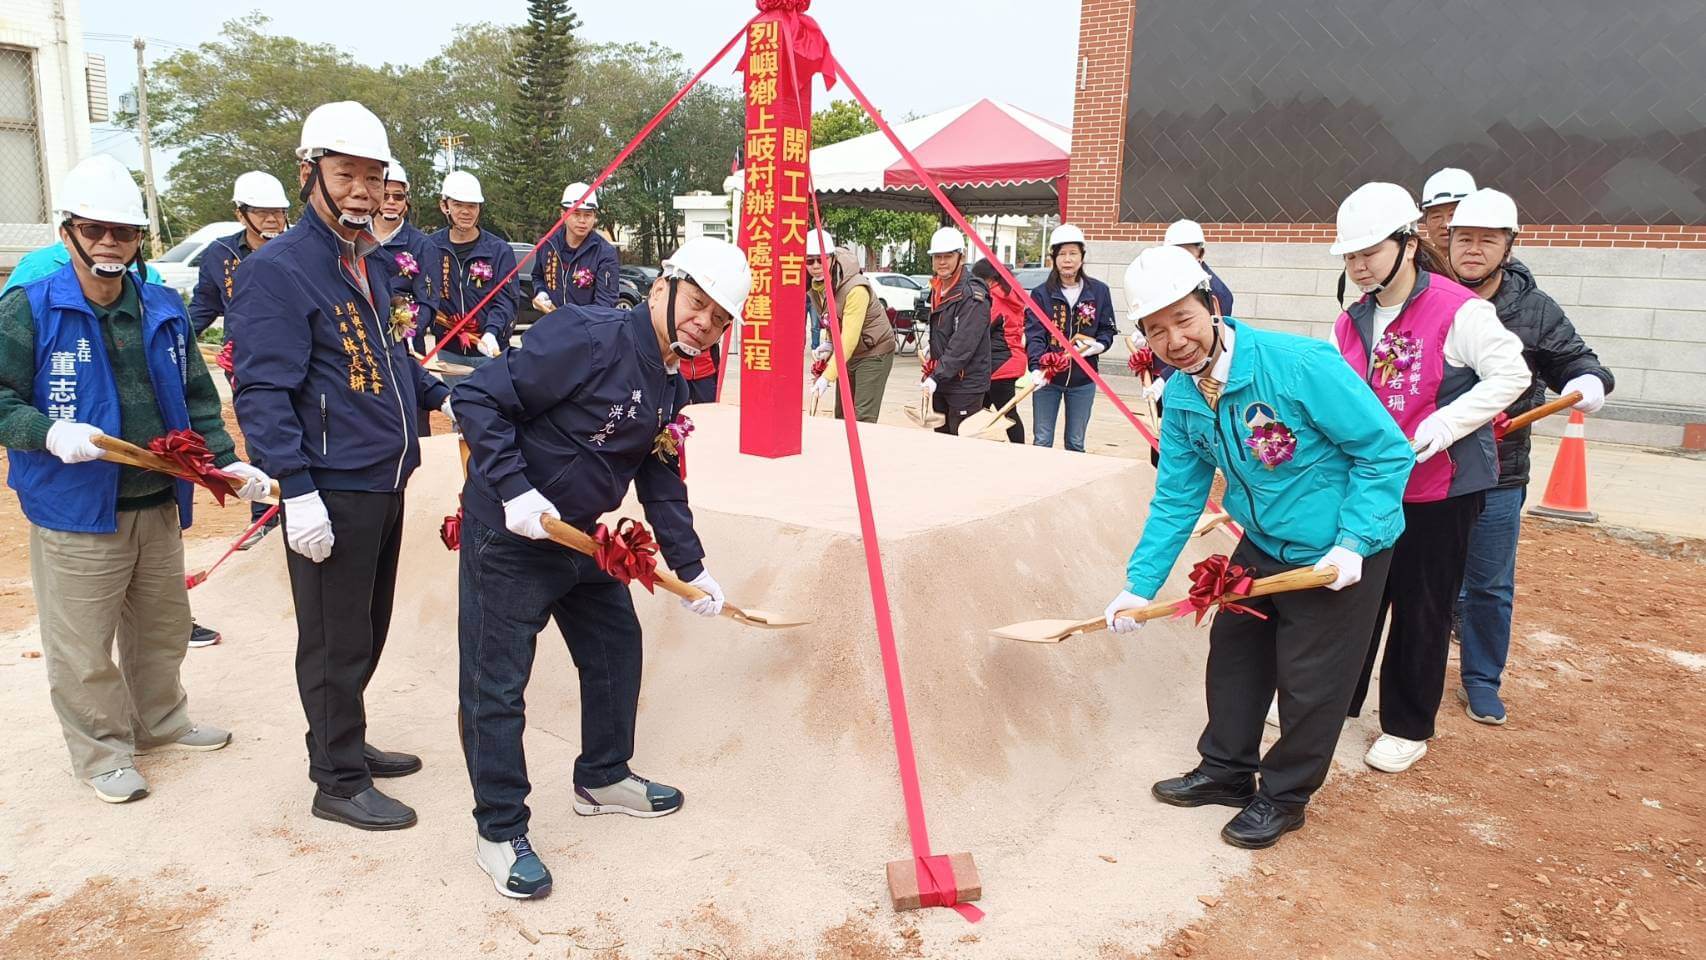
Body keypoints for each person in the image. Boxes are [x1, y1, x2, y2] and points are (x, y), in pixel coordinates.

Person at [451, 236, 749, 899]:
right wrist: (513, 489)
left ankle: (603, 775)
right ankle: (499, 830)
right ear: (664, 287)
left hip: (582, 538)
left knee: (616, 643)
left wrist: (692, 568)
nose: (704, 323)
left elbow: (662, 478)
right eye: (698, 304)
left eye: (719, 318)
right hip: (514, 530)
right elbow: (476, 400)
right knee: (496, 685)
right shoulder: (585, 336)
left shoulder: (676, 379)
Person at [1105, 244, 1411, 849]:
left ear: (1212, 306)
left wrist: (1354, 542)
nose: (1175, 341)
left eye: (1184, 319)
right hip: (1261, 541)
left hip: (1337, 552)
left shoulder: (1300, 365)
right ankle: (1226, 770)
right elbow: (1175, 499)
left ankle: (1284, 795)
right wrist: (1137, 585)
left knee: (1310, 679)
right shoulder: (1184, 398)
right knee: (1235, 654)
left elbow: (1385, 451)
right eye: (1156, 330)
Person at [0, 155, 272, 803]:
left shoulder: (161, 305)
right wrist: (46, 432)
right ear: (68, 233)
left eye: (123, 232)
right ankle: (100, 752)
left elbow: (196, 398)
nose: (109, 244)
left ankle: (160, 720)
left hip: (157, 497)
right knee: (82, 642)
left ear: (138, 240)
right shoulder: (29, 307)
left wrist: (221, 460)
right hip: (75, 506)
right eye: (95, 230)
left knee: (160, 624)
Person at [229, 101, 456, 831]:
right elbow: (261, 390)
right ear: (310, 175)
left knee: (367, 625)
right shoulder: (279, 271)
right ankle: (335, 777)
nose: (362, 189)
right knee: (333, 637)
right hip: (330, 486)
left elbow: (391, 362)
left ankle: (346, 741)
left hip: (384, 479)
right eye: (344, 174)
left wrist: (443, 392)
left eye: (372, 176)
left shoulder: (372, 265)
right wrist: (296, 492)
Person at [1329, 182, 1528, 774]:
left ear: (1407, 243)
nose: (1359, 266)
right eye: (1350, 256)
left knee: (1422, 603)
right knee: (1357, 594)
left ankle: (1408, 724)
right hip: (1371, 484)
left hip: (1440, 489)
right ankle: (1341, 696)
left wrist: (1445, 424)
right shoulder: (1352, 319)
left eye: (1370, 252)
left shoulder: (1458, 308)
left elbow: (1509, 374)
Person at [1446, 188, 1614, 725]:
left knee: (1489, 583)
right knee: (1422, 578)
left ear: (1508, 246)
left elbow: (1578, 360)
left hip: (1499, 471)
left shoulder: (1534, 310)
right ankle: (1417, 670)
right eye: (1464, 238)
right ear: (1446, 241)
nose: (1474, 250)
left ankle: (1480, 679)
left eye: (1487, 240)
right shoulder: (1427, 297)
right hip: (1429, 467)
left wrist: (1588, 380)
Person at [190, 170, 291, 553]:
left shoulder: (300, 247)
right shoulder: (220, 255)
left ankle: (305, 507)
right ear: (241, 214)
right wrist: (173, 337)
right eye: (262, 212)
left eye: (278, 212)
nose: (271, 220)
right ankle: (264, 519)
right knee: (261, 437)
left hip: (298, 359)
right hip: (246, 364)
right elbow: (204, 305)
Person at [1024, 224, 1116, 452]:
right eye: (1062, 254)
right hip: (1048, 379)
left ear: (1082, 257)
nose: (1068, 259)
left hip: (1083, 380)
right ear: (1053, 258)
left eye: (1073, 253)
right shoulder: (1041, 294)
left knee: (1075, 443)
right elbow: (1035, 334)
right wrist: (1036, 368)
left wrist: (1099, 345)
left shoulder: (1099, 292)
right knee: (1042, 441)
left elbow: (1107, 329)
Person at [428, 171, 519, 386]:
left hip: (489, 349)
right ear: (445, 206)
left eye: (472, 206)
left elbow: (506, 299)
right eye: (459, 205)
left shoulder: (499, 250)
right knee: (459, 411)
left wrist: (492, 332)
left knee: (492, 413)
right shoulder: (430, 247)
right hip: (450, 351)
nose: (466, 212)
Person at [372, 162, 443, 435]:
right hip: (365, 340)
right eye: (385, 194)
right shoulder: (355, 237)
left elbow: (428, 298)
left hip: (407, 341)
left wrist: (410, 331)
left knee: (413, 416)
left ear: (406, 201)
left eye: (398, 196)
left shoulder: (421, 245)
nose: (391, 202)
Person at [808, 245, 896, 423]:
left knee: (862, 417)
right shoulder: (818, 285)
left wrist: (826, 377)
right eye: (810, 261)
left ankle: (863, 450)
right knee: (842, 414)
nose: (816, 265)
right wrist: (830, 342)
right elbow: (831, 318)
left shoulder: (855, 289)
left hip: (874, 351)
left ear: (832, 258)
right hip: (849, 354)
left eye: (821, 259)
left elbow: (848, 340)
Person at [919, 227, 991, 435]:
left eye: (948, 256)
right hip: (943, 379)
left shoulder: (972, 293)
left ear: (961, 256)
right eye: (937, 257)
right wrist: (931, 348)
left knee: (961, 445)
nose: (942, 262)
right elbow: (945, 329)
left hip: (965, 383)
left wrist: (936, 375)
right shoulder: (937, 287)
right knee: (941, 441)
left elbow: (964, 343)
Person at [532, 182, 620, 312]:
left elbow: (605, 304)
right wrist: (541, 293)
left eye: (588, 215)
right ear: (563, 215)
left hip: (589, 328)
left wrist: (571, 322)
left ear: (594, 217)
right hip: (552, 325)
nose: (582, 220)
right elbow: (538, 276)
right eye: (576, 214)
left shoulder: (605, 253)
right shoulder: (547, 245)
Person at [970, 257, 1028, 442]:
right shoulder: (1009, 294)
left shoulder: (995, 298)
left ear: (989, 279)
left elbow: (980, 328)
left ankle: (1020, 449)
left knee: (1006, 414)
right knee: (991, 412)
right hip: (1008, 361)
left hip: (999, 365)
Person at [1162, 219, 1234, 316]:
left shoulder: (1217, 292)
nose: (1179, 260)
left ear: (1201, 254)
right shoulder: (1167, 279)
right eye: (1174, 254)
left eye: (1186, 254)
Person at [1419, 167, 1475, 245]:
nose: (1445, 224)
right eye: (1437, 216)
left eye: (1453, 214)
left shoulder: (1493, 256)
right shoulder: (1411, 256)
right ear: (1426, 221)